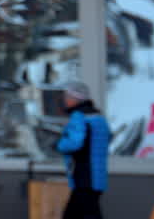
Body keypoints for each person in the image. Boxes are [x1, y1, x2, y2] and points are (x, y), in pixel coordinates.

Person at [56, 80, 110, 219]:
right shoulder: (98, 117)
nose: (65, 101)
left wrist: (60, 144)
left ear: (74, 99)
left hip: (84, 176)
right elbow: (106, 138)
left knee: (79, 214)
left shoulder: (79, 116)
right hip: (97, 176)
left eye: (67, 97)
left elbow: (75, 143)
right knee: (84, 212)